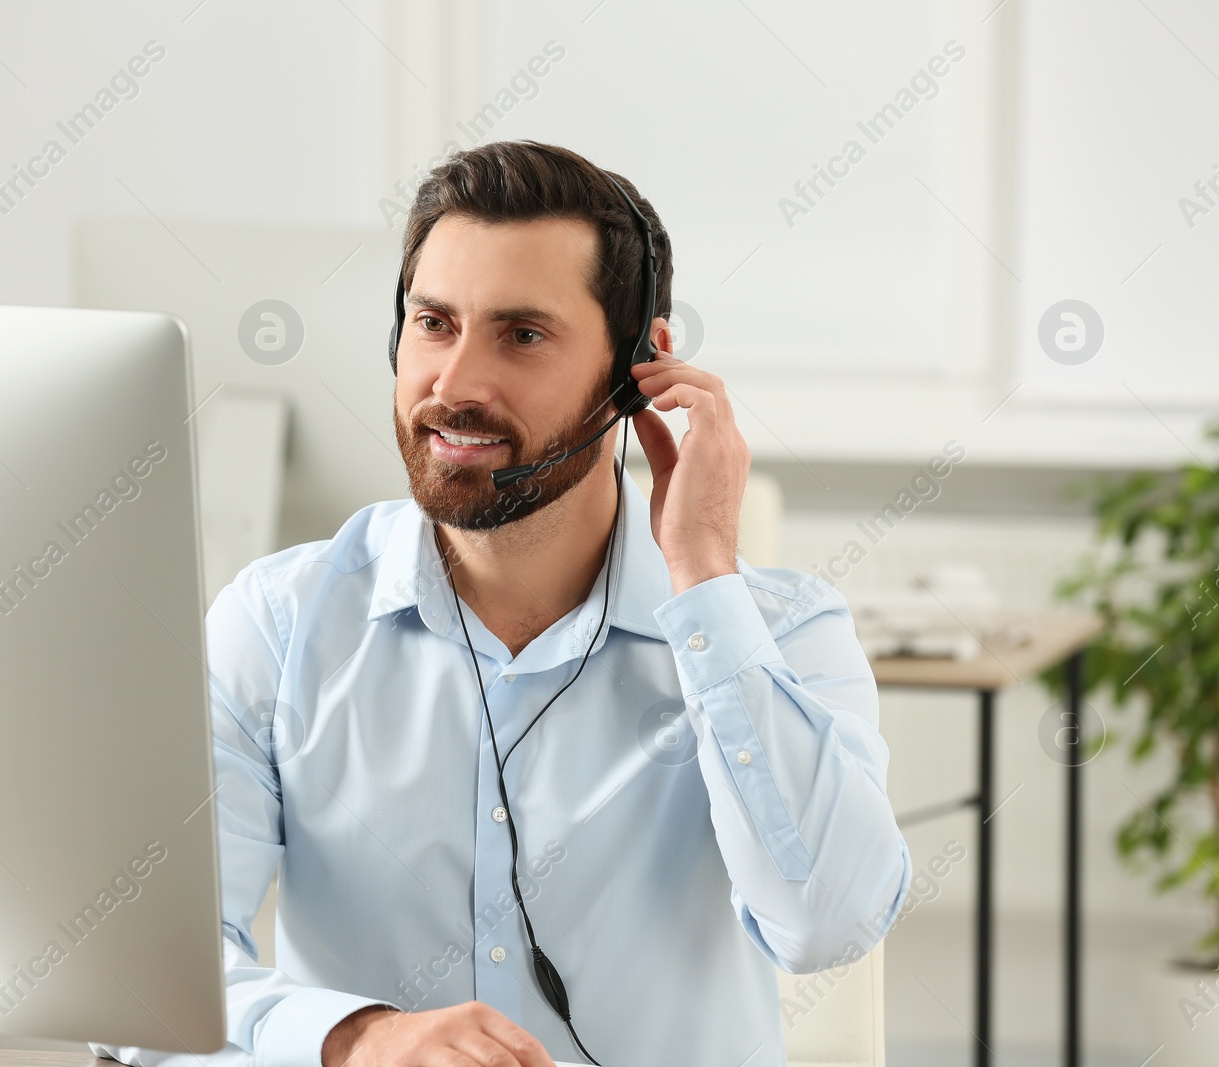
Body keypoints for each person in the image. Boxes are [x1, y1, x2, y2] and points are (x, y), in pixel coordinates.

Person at [98, 140, 910, 1067]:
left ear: (639, 365)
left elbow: (829, 925)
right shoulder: (280, 627)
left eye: (522, 334)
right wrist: (356, 1040)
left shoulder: (781, 633)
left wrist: (707, 584)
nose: (455, 386)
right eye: (434, 323)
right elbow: (151, 990)